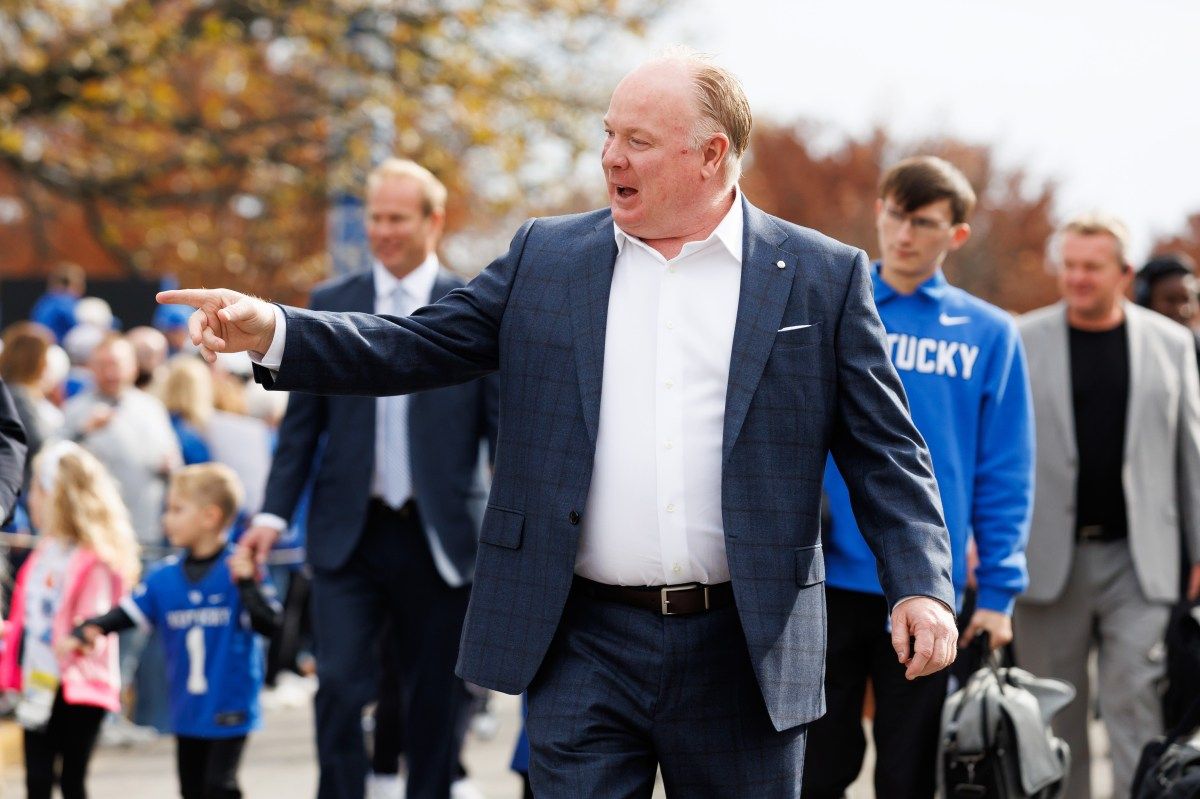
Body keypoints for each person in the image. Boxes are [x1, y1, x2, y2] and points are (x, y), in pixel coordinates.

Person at [160, 50, 959, 797]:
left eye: (637, 141)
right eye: (608, 134)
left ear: (711, 154)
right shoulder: (548, 257)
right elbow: (416, 343)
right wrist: (275, 329)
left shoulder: (820, 276)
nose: (611, 157)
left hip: (746, 648)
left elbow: (885, 451)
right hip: (583, 641)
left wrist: (921, 584)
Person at [234, 158, 498, 799]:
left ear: (433, 221)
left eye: (397, 218)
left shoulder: (473, 306)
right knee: (340, 686)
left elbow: (501, 431)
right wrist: (271, 515)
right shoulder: (331, 302)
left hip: (442, 536)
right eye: (375, 218)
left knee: (437, 695)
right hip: (349, 532)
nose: (383, 231)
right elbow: (301, 429)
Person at [804, 157, 1034, 798]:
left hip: (930, 590)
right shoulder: (831, 306)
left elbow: (1005, 471)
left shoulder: (990, 333)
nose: (904, 234)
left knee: (910, 777)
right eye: (896, 215)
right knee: (815, 770)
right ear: (879, 212)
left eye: (924, 222)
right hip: (823, 578)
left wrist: (998, 594)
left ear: (956, 234)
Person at [1014, 213, 1200, 799]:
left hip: (1140, 562)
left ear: (1123, 272)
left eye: (1091, 267)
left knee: (1135, 706)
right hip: (1047, 557)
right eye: (1069, 265)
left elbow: (1191, 454)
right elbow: (997, 451)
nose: (1077, 277)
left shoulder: (1172, 343)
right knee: (1053, 718)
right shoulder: (1021, 338)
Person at [66, 463, 280, 799]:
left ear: (210, 516)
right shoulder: (163, 576)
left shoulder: (238, 569)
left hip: (229, 702)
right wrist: (93, 627)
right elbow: (129, 612)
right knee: (192, 789)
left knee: (219, 786)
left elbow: (270, 624)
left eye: (177, 509)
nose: (167, 519)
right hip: (187, 705)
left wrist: (248, 584)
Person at [0, 441, 140, 799]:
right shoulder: (45, 552)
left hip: (77, 683)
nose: (31, 499)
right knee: (37, 777)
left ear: (57, 497)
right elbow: (32, 614)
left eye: (37, 489)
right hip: (40, 678)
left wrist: (81, 633)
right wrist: (10, 635)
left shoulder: (94, 559)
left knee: (72, 779)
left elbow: (97, 616)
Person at [62, 332, 182, 545]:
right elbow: (54, 459)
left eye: (116, 364)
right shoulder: (75, 410)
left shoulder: (151, 408)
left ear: (133, 367)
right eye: (103, 365)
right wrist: (83, 432)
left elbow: (174, 460)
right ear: (91, 368)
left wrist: (170, 465)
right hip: (94, 533)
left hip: (145, 534)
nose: (110, 373)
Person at [30, 263, 86, 344]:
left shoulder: (43, 301)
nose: (82, 288)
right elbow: (82, 328)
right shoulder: (64, 302)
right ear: (69, 284)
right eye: (80, 284)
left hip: (42, 346)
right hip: (54, 347)